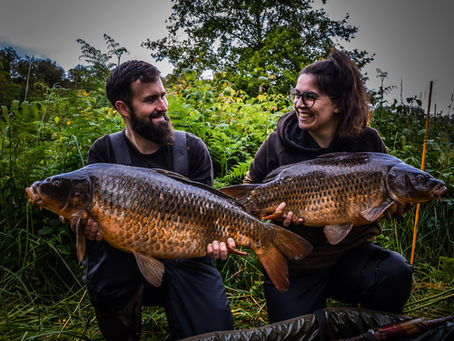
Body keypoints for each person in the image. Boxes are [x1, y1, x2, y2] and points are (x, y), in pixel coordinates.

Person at [234, 50, 413, 323]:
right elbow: (248, 190)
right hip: (297, 265)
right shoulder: (277, 143)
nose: (299, 104)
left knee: (395, 271)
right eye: (297, 94)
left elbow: (394, 198)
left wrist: (396, 208)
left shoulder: (368, 141)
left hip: (350, 258)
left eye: (310, 97)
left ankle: (371, 329)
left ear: (338, 105)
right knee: (293, 332)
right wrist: (274, 220)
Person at [76, 60, 234, 340]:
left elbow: (211, 217)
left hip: (186, 257)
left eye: (162, 95)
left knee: (215, 332)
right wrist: (85, 227)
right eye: (150, 99)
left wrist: (219, 237)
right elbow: (85, 213)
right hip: (123, 258)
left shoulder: (191, 148)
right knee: (107, 274)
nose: (163, 106)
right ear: (123, 108)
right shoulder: (104, 151)